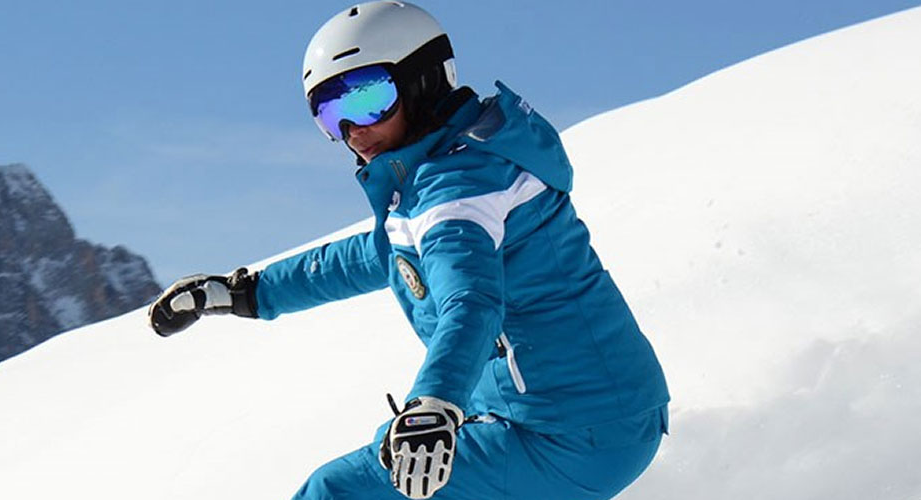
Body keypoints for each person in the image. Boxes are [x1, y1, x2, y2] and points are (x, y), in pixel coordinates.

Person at [146, 2, 669, 498]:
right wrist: (244, 293)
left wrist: (434, 405)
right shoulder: (458, 168)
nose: (353, 131)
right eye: (330, 115)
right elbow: (373, 257)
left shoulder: (459, 188)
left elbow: (470, 303)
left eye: (365, 99)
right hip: (591, 418)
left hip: (572, 436)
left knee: (339, 491)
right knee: (391, 460)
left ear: (423, 82)